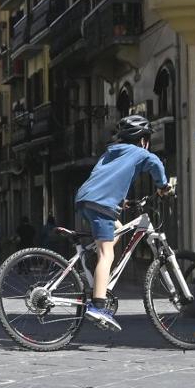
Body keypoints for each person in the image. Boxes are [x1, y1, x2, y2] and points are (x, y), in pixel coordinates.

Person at [73, 114, 173, 332]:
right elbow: (155, 164)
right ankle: (98, 305)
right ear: (143, 139)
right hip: (101, 205)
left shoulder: (110, 151)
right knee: (106, 253)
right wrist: (163, 186)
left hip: (86, 199)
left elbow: (102, 177)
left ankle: (95, 273)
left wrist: (121, 200)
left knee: (119, 229)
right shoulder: (140, 152)